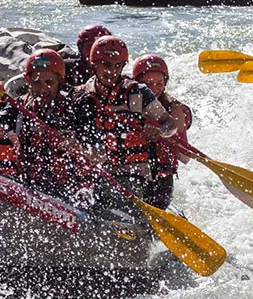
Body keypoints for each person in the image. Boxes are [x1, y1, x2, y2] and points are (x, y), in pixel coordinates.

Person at [72, 36, 177, 206]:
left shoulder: (138, 92)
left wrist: (161, 131)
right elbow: (78, 134)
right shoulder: (81, 97)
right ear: (94, 64)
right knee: (81, 198)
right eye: (106, 64)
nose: (112, 71)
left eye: (118, 65)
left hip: (136, 174)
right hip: (101, 173)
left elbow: (169, 123)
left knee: (115, 194)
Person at [0, 49, 90, 201]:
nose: (42, 89)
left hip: (71, 189)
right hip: (32, 187)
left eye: (49, 83)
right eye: (36, 82)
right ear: (28, 81)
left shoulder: (76, 105)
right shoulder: (20, 106)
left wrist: (79, 148)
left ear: (59, 82)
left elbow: (98, 151)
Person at [131, 54, 191, 210]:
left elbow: (184, 156)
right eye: (148, 83)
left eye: (159, 83)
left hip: (160, 179)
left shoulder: (174, 109)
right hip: (132, 173)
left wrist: (163, 133)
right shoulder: (126, 103)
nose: (154, 89)